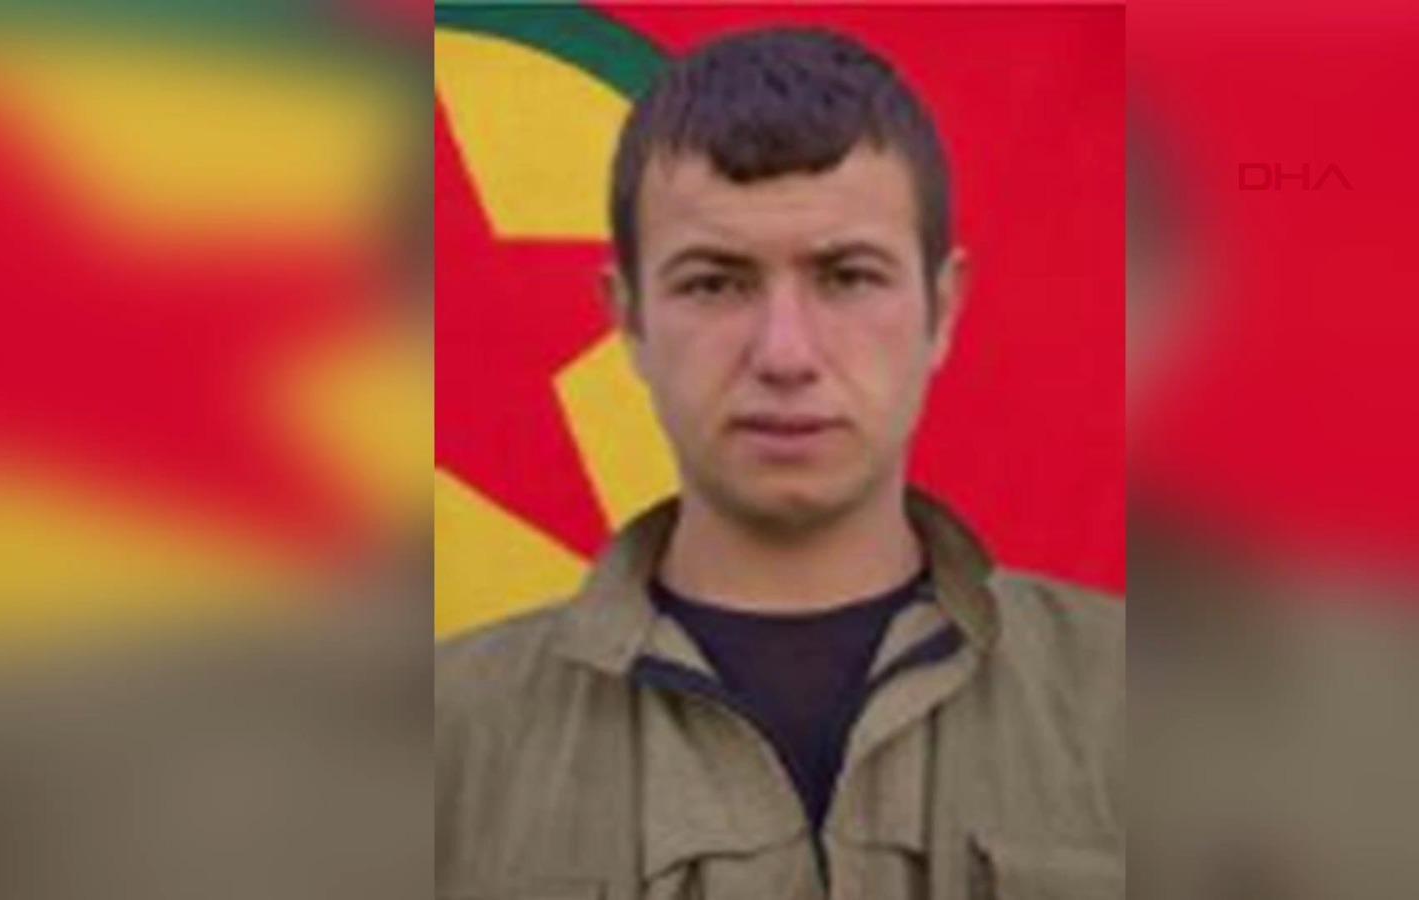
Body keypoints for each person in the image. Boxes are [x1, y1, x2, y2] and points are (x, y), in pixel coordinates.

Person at [436, 26, 1123, 899]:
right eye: (715, 283)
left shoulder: (1137, 701)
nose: (785, 355)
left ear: (943, 310)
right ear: (629, 319)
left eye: (848, 277)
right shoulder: (446, 737)